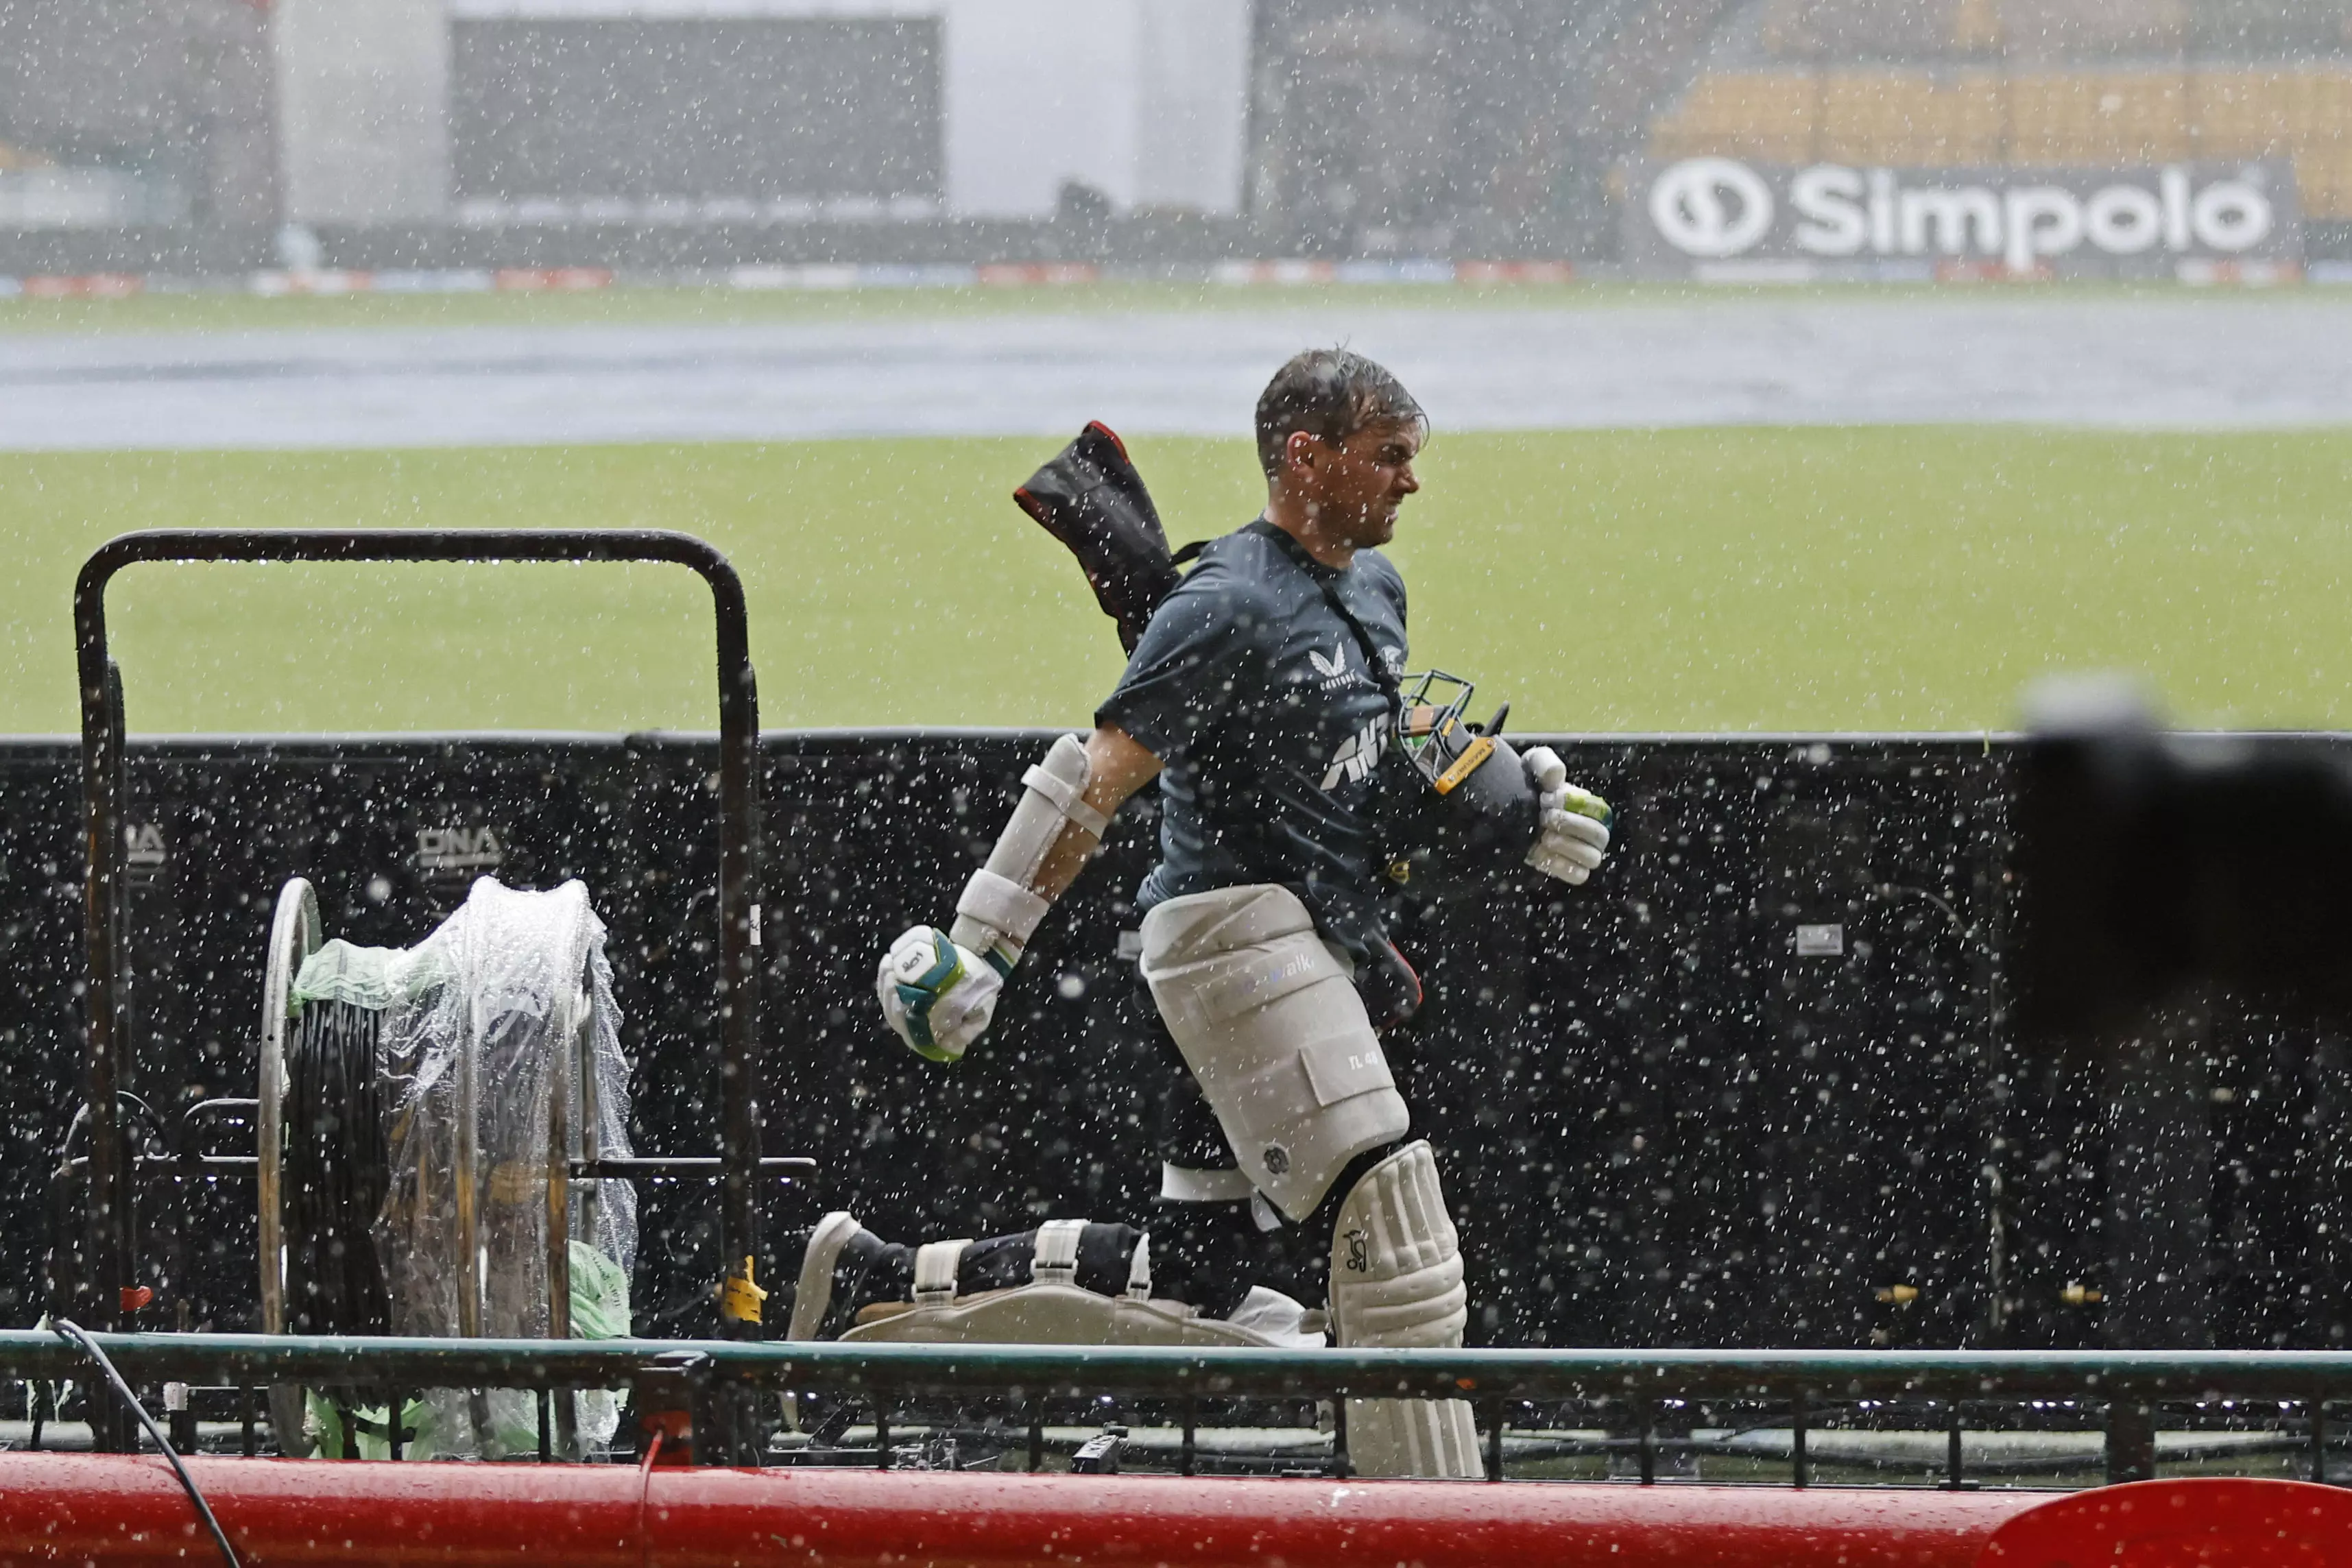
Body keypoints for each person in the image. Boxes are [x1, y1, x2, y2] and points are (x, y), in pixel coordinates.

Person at [791, 348, 1613, 1478]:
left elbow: (1357, 779)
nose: (1409, 483)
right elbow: (1096, 777)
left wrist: (1508, 802)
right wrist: (979, 940)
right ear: (1305, 457)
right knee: (1395, 1230)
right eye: (1388, 458)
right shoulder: (1225, 600)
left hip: (1310, 938)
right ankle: (1433, 1521)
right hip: (1236, 940)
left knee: (1202, 1282)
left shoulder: (1373, 591)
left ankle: (874, 1285)